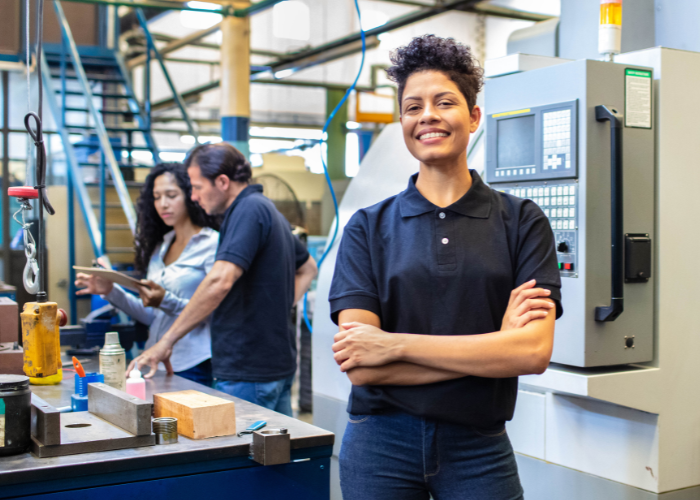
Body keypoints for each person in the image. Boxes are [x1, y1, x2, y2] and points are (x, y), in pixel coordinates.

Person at [329, 35, 562, 500]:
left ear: (474, 117)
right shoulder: (367, 228)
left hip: (478, 444)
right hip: (379, 443)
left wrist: (392, 345)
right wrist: (495, 351)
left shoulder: (521, 221)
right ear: (402, 122)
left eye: (444, 102)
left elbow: (532, 354)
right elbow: (361, 365)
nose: (427, 116)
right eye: (413, 107)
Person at [127, 143, 318, 416]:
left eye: (197, 187)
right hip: (274, 366)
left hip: (248, 370)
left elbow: (220, 281)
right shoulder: (268, 209)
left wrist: (165, 342)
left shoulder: (247, 210)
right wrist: (276, 307)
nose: (193, 196)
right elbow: (308, 267)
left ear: (223, 182)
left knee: (243, 454)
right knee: (276, 454)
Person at [75, 163, 220, 387]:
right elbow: (152, 316)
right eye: (157, 196)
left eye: (171, 195)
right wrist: (112, 291)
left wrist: (165, 300)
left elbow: (213, 311)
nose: (163, 204)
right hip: (156, 360)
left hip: (194, 363)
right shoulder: (161, 246)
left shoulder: (211, 244)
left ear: (191, 195)